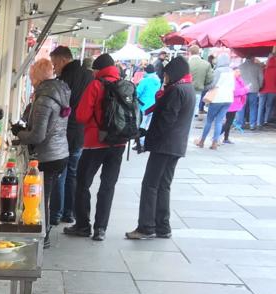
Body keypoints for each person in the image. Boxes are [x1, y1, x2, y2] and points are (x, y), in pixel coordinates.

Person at [126, 56, 196, 241]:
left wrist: (147, 139)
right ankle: (163, 226)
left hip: (164, 145)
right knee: (163, 185)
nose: (164, 78)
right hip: (176, 145)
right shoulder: (188, 88)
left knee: (150, 185)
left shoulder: (176, 91)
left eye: (166, 75)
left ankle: (146, 227)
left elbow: (166, 120)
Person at [65, 53, 128, 242]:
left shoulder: (96, 85)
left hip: (95, 143)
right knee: (108, 186)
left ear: (98, 70)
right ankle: (101, 229)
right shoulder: (124, 84)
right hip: (119, 142)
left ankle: (83, 225)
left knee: (82, 183)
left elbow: (82, 115)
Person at [12, 58, 70, 246]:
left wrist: (19, 133)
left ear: (37, 78)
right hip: (60, 151)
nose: (31, 82)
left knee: (38, 197)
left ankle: (41, 238)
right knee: (45, 194)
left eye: (31, 78)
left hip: (47, 155)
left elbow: (38, 136)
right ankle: (43, 232)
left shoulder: (44, 99)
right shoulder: (59, 92)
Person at [49, 45, 94, 226]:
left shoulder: (64, 80)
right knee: (73, 173)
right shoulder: (89, 76)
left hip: (65, 132)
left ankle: (56, 214)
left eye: (55, 64)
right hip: (82, 132)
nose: (54, 68)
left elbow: (59, 109)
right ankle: (69, 212)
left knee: (60, 173)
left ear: (63, 60)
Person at [196, 54, 234, 149]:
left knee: (209, 120)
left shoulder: (218, 71)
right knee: (219, 121)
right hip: (228, 98)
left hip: (217, 98)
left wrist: (204, 87)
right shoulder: (231, 71)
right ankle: (215, 142)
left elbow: (212, 84)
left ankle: (202, 141)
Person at [223, 69, 249, 144]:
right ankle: (216, 137)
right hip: (231, 103)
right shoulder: (232, 80)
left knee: (229, 121)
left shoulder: (238, 80)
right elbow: (235, 92)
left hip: (234, 104)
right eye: (237, 71)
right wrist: (245, 89)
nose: (239, 73)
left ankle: (225, 138)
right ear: (232, 72)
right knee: (228, 122)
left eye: (239, 71)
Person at [239, 56, 264, 129]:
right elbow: (261, 78)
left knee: (241, 107)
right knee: (253, 107)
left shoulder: (240, 66)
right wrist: (259, 86)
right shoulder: (257, 66)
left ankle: (240, 124)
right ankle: (252, 124)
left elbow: (237, 78)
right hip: (254, 89)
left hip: (243, 89)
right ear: (252, 58)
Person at [187, 45, 213, 116]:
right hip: (198, 91)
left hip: (185, 91)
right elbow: (209, 80)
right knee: (193, 113)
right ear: (199, 53)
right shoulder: (206, 64)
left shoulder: (186, 63)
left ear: (190, 53)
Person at [136, 63, 162, 129]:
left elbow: (137, 93)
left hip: (143, 105)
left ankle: (139, 135)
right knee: (147, 125)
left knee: (140, 124)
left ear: (146, 71)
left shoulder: (145, 81)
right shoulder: (158, 81)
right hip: (153, 105)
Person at [261, 55, 276, 127]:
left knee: (261, 106)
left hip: (263, 90)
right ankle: (266, 120)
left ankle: (259, 121)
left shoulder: (264, 69)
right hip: (273, 90)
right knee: (269, 105)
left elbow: (261, 79)